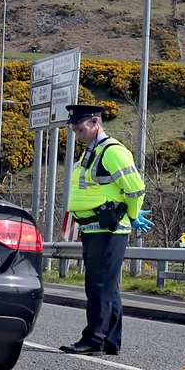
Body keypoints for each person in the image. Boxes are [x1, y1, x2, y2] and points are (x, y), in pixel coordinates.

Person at [57, 104, 149, 355]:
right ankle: (110, 340)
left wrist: (132, 214)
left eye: (81, 128)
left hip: (108, 229)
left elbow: (135, 188)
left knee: (98, 286)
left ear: (96, 123)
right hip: (95, 228)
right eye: (74, 130)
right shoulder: (92, 151)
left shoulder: (112, 151)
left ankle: (93, 339)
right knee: (107, 287)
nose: (78, 134)